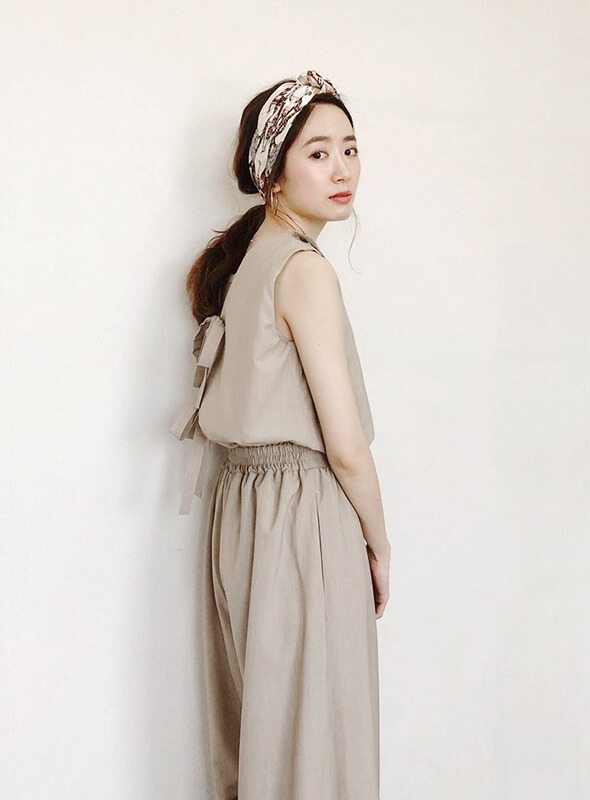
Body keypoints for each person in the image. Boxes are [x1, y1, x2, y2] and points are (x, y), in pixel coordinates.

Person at [170, 69, 391, 800]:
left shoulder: (249, 262)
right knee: (318, 744)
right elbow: (345, 447)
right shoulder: (303, 270)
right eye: (318, 153)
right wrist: (379, 545)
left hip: (240, 510)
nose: (342, 169)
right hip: (302, 516)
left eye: (350, 148)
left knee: (263, 735)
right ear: (273, 172)